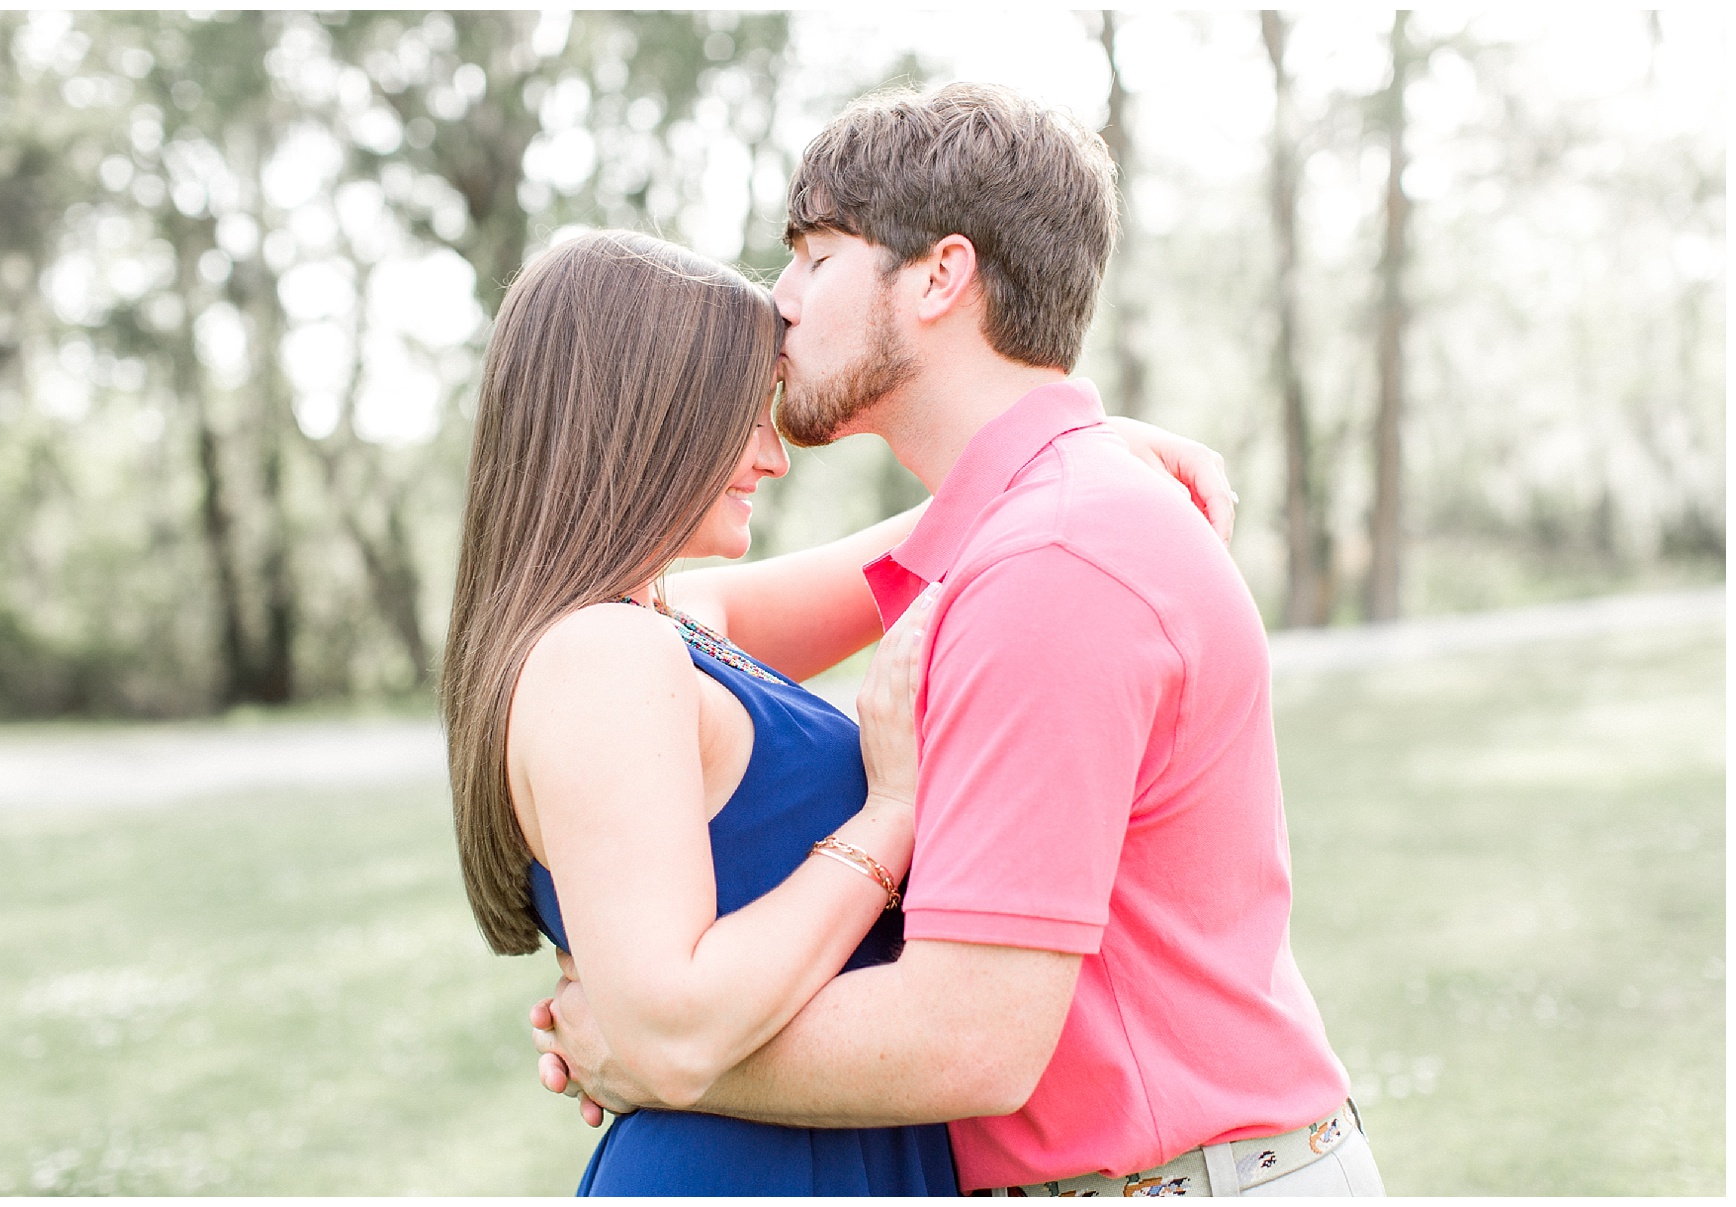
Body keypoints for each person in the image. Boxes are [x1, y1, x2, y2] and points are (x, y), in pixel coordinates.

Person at [534, 84, 1387, 1197]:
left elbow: (968, 1037)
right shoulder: (1042, 526)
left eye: (814, 254)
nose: (779, 303)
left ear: (940, 274)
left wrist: (659, 1050)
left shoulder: (1054, 563)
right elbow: (694, 630)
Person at [442, 229, 1233, 1195]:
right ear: (641, 419)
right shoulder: (602, 657)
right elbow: (675, 1025)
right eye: (741, 416)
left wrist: (1077, 451)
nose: (771, 454)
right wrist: (890, 813)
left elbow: (903, 558)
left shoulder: (663, 624)